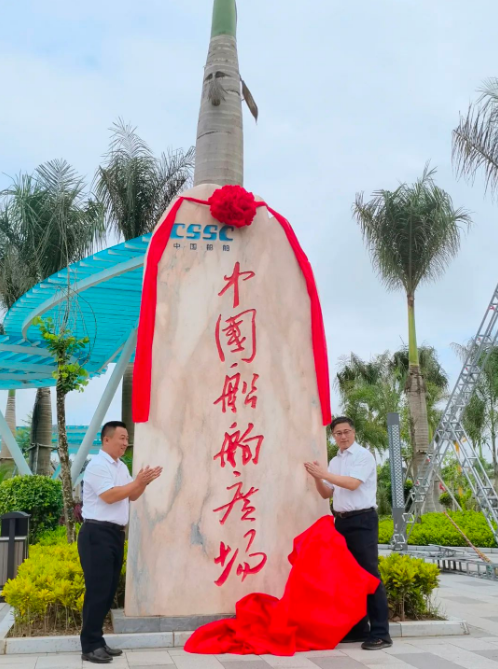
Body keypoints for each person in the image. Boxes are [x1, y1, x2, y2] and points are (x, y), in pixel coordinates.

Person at [304, 416, 392, 651]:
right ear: (333, 436)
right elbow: (327, 493)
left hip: (363, 521)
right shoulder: (335, 461)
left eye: (346, 432)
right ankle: (358, 629)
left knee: (369, 575)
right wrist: (317, 478)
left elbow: (352, 484)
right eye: (338, 433)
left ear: (354, 432)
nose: (343, 436)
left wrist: (324, 474)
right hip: (341, 522)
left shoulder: (363, 456)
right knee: (348, 577)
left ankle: (381, 634)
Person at [78, 421, 163, 664]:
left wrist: (143, 482)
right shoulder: (97, 465)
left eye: (127, 438)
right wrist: (136, 482)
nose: (125, 443)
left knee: (107, 591)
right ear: (106, 440)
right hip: (96, 534)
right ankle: (89, 646)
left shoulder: (120, 466)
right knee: (97, 590)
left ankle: (98, 640)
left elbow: (132, 495)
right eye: (121, 438)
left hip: (114, 535)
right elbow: (109, 496)